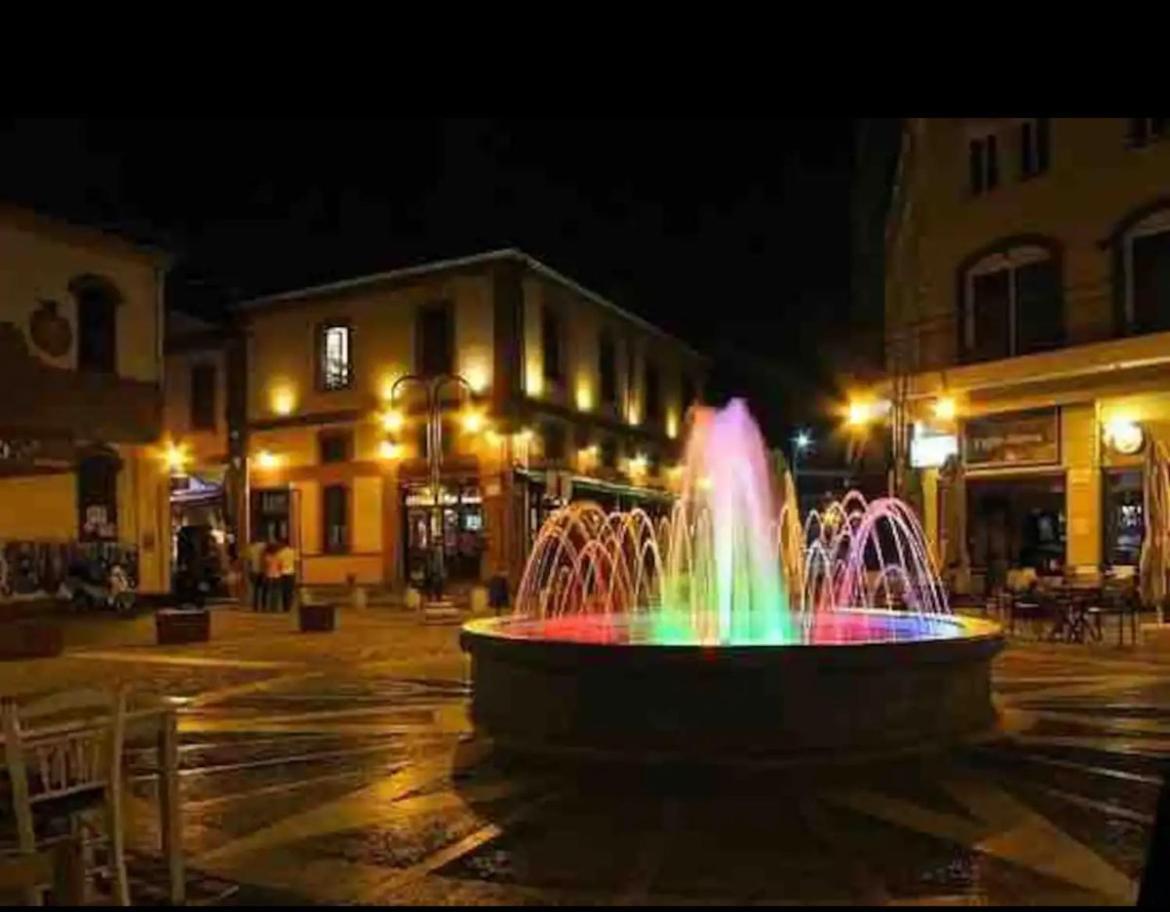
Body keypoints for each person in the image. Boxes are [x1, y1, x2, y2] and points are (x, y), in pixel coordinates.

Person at [277, 538, 297, 613]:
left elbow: (278, 563)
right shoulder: (292, 552)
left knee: (284, 591)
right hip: (291, 572)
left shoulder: (280, 553)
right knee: (290, 590)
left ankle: (285, 606)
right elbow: (296, 562)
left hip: (283, 573)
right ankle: (290, 605)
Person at [248, 539, 268, 611]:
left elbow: (249, 561)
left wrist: (249, 571)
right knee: (264, 589)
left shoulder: (251, 548)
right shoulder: (266, 547)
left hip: (254, 570)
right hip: (263, 571)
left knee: (255, 590)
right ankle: (264, 606)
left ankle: (255, 606)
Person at [262, 542, 282, 612]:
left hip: (269, 575)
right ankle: (275, 607)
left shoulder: (267, 556)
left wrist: (264, 575)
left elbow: (265, 566)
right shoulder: (278, 556)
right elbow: (280, 565)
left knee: (269, 591)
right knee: (276, 592)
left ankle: (269, 606)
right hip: (277, 575)